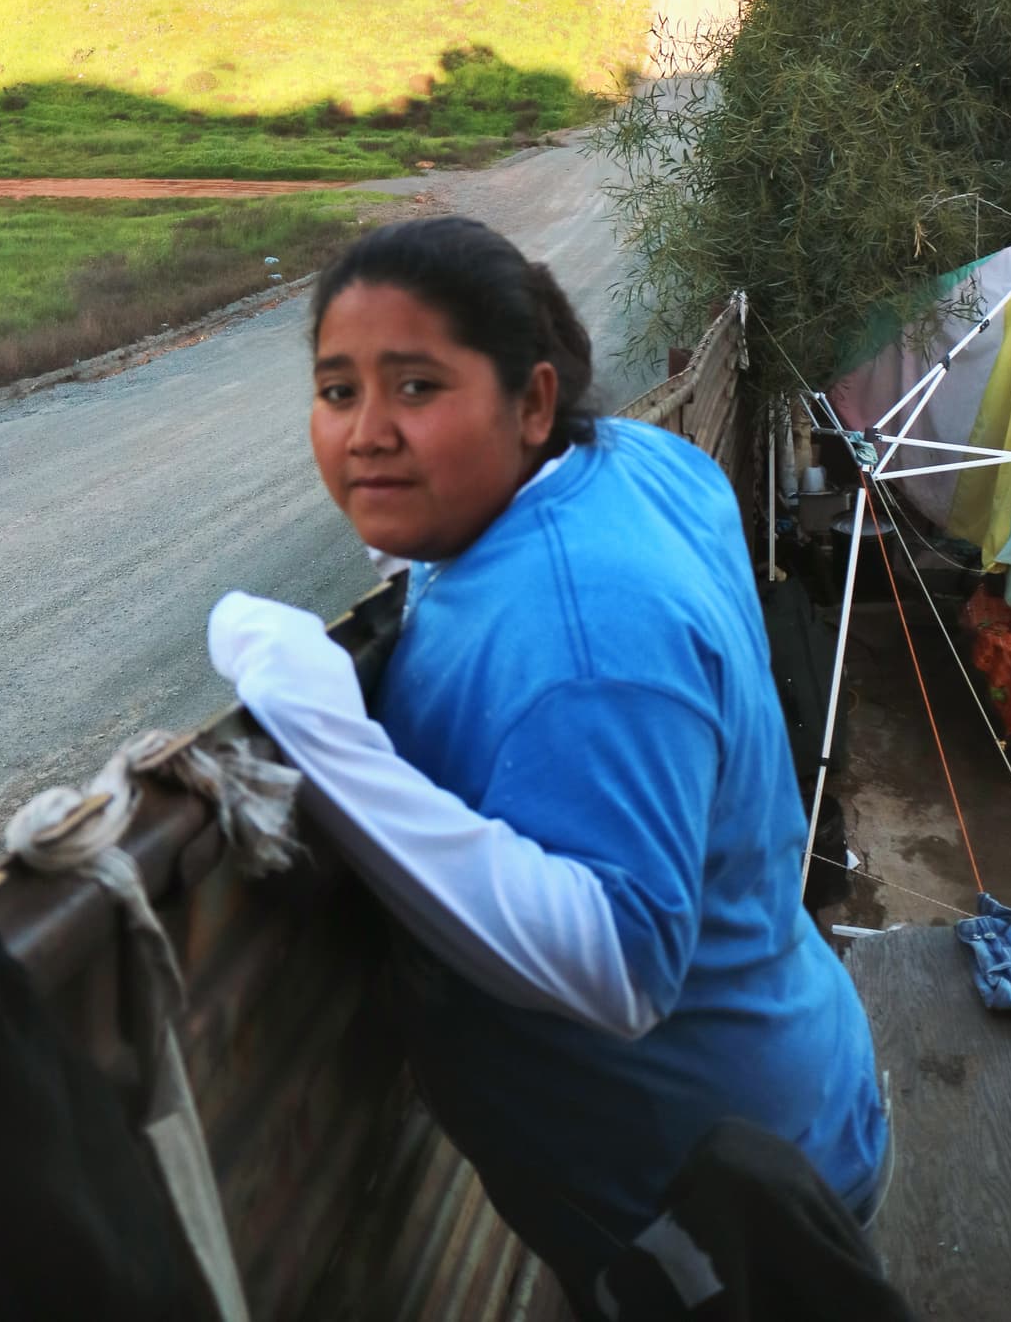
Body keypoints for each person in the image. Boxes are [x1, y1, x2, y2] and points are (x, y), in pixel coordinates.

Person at [207, 216, 887, 1318]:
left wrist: (323, 735)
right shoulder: (635, 463)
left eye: (416, 388)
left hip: (732, 1232)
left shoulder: (588, 639)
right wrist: (431, 564)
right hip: (779, 1113)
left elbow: (618, 966)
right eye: (337, 392)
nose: (365, 432)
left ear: (530, 404)